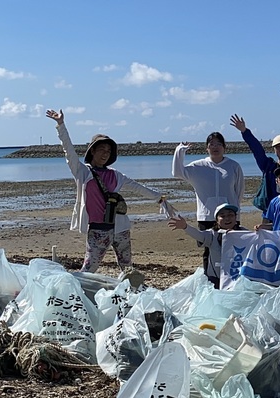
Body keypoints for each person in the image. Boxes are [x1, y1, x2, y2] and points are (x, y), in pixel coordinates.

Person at [45, 109, 165, 273]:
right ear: (92, 151)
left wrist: (159, 198)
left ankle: (132, 294)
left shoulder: (116, 175)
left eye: (108, 151)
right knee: (88, 269)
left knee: (127, 268)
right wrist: (61, 125)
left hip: (120, 227)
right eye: (101, 149)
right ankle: (76, 294)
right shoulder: (83, 172)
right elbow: (69, 152)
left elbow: (138, 187)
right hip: (97, 230)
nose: (105, 154)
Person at [172, 131, 245, 270]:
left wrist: (233, 208)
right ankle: (210, 279)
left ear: (224, 147)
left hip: (229, 216)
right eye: (212, 144)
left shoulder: (233, 166)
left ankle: (231, 278)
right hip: (207, 216)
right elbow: (177, 172)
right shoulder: (198, 166)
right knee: (209, 250)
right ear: (207, 148)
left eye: (219, 144)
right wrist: (180, 151)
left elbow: (239, 191)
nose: (215, 147)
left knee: (232, 249)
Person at [230, 114, 280, 211]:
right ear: (274, 150)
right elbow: (257, 150)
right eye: (278, 147)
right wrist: (244, 131)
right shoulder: (268, 166)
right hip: (269, 212)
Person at [168, 203, 239, 288]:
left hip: (238, 278)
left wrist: (259, 231)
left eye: (230, 215)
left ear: (236, 217)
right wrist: (185, 227)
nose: (227, 218)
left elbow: (256, 242)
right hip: (216, 279)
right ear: (216, 220)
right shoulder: (212, 235)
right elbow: (199, 235)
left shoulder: (244, 234)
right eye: (222, 216)